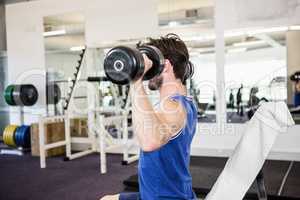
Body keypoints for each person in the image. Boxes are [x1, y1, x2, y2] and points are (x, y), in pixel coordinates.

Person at [101, 34, 197, 200]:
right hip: (165, 192)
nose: (147, 74)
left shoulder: (173, 106)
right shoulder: (185, 102)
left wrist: (135, 78)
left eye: (150, 63)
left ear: (165, 65)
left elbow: (150, 142)